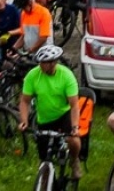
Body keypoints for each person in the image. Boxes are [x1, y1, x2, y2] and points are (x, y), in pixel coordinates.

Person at [19, 44, 83, 180]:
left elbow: (74, 105)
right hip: (44, 119)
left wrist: (75, 127)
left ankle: (74, 160)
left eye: (45, 63)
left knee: (74, 140)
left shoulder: (66, 76)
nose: (41, 66)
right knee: (43, 158)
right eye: (40, 63)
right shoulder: (33, 75)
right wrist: (24, 121)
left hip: (64, 115)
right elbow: (25, 101)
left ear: (53, 63)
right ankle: (46, 179)